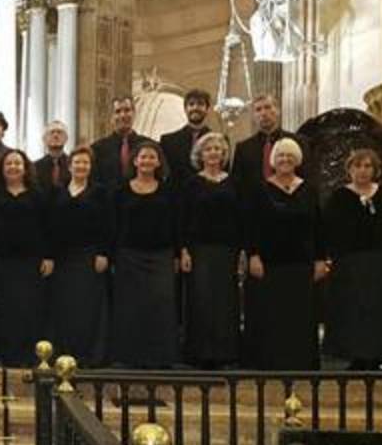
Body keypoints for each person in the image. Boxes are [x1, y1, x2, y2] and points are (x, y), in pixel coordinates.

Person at [243, 137, 327, 370]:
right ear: (273, 160)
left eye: (289, 155)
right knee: (271, 315)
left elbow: (318, 226)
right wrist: (253, 255)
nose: (285, 160)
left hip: (301, 262)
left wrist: (321, 259)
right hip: (269, 263)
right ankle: (270, 362)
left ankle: (300, 362)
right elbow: (252, 226)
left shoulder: (309, 190)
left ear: (297, 160)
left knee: (300, 316)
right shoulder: (261, 189)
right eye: (280, 155)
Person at [323, 148, 382, 369]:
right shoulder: (339, 196)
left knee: (377, 310)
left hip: (379, 262)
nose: (362, 171)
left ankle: (377, 354)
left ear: (375, 170)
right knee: (353, 310)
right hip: (349, 263)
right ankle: (355, 355)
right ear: (349, 170)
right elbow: (329, 230)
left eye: (367, 166)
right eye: (358, 166)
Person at [111, 141, 180, 368]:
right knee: (130, 307)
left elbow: (176, 224)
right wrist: (113, 255)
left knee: (160, 306)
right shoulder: (121, 190)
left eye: (152, 157)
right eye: (143, 157)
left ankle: (160, 358)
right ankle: (129, 357)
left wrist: (178, 254)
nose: (147, 161)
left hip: (161, 256)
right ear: (135, 161)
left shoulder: (168, 190)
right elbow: (114, 225)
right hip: (129, 256)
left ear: (159, 162)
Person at [179, 133, 243, 367]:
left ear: (224, 154)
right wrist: (184, 250)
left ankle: (225, 353)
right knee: (201, 300)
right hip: (199, 250)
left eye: (218, 149)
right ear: (200, 154)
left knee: (226, 301)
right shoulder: (191, 183)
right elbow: (183, 219)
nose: (214, 153)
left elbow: (240, 219)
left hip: (227, 250)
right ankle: (200, 353)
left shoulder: (234, 182)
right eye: (208, 149)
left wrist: (242, 252)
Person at [0, 149, 53, 367]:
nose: (13, 167)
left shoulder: (37, 195)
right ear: (1, 169)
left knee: (28, 309)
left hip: (29, 262)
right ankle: (2, 354)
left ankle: (27, 355)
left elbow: (47, 228)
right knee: (2, 310)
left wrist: (48, 257)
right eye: (8, 164)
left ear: (25, 168)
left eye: (17, 163)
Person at [48, 147, 112, 366]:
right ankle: (63, 352)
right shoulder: (57, 191)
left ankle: (87, 354)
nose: (81, 166)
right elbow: (51, 227)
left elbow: (107, 225)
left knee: (87, 307)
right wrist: (50, 256)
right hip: (63, 259)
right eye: (77, 162)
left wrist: (103, 252)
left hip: (89, 257)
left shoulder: (100, 192)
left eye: (85, 163)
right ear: (70, 165)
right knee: (64, 306)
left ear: (91, 167)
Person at [232, 94, 307, 203]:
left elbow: (306, 175)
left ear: (277, 111)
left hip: (291, 204)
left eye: (267, 107)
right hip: (254, 208)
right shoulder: (243, 148)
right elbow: (237, 185)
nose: (263, 113)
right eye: (258, 110)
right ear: (254, 116)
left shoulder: (298, 142)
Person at [90, 95, 153, 190]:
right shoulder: (97, 149)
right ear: (111, 117)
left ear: (134, 113)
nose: (123, 115)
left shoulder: (150, 146)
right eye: (117, 111)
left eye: (127, 110)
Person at [160, 89, 213, 190]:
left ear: (207, 109)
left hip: (208, 197)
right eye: (191, 104)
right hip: (177, 200)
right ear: (185, 109)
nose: (195, 108)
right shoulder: (168, 141)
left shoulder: (219, 141)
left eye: (200, 104)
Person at [34, 121, 70, 193]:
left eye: (59, 132)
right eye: (51, 132)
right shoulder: (34, 167)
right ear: (44, 139)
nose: (55, 135)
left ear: (66, 138)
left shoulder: (73, 165)